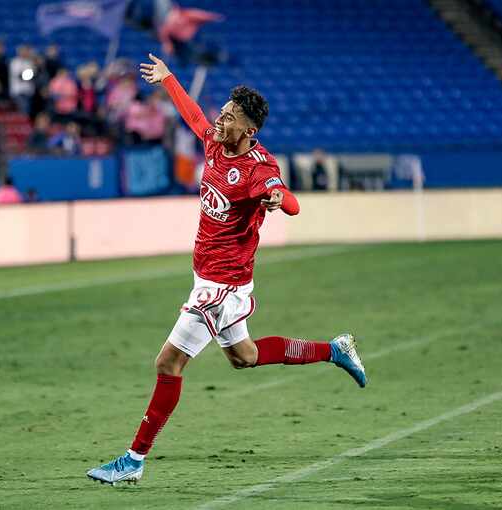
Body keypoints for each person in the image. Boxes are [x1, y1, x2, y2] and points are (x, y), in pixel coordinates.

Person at [86, 53, 367, 485]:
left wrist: (277, 201)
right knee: (245, 357)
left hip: (221, 286)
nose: (220, 120)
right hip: (210, 279)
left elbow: (290, 200)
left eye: (230, 117)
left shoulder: (259, 170)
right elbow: (194, 115)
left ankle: (133, 460)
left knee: (168, 364)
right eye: (223, 112)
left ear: (249, 130)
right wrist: (169, 80)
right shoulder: (215, 143)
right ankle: (334, 349)